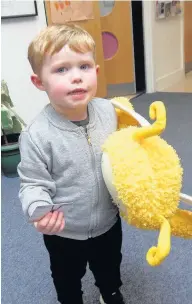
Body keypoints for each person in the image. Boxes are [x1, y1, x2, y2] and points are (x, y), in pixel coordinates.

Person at [18, 24, 125, 304]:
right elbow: (32, 182)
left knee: (110, 265)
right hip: (65, 230)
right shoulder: (37, 134)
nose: (77, 77)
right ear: (39, 82)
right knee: (66, 277)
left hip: (108, 221)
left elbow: (128, 151)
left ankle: (110, 291)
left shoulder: (110, 112)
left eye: (84, 66)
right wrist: (38, 210)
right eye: (61, 69)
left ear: (96, 72)